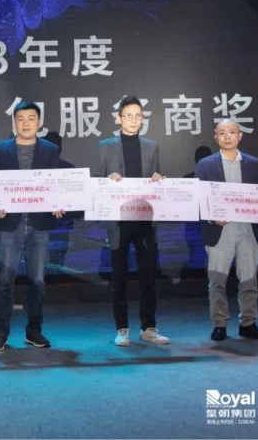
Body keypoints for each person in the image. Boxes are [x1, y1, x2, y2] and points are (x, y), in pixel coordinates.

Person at [92, 95, 170, 347]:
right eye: (128, 115)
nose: (134, 120)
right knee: (120, 278)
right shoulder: (105, 146)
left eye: (138, 115)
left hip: (145, 220)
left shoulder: (151, 146)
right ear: (119, 118)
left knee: (148, 276)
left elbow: (156, 177)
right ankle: (122, 328)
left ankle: (148, 327)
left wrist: (158, 179)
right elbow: (96, 180)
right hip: (118, 221)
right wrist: (108, 181)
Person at [0, 101, 64, 352]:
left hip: (39, 224)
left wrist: (59, 203)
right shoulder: (0, 150)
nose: (26, 123)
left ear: (39, 122)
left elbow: (56, 184)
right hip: (10, 224)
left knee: (38, 282)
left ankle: (34, 332)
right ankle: (0, 334)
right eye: (20, 118)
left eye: (31, 118)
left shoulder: (51, 150)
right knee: (4, 281)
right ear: (14, 122)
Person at [195, 119, 258, 341]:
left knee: (249, 280)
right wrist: (212, 217)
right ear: (215, 137)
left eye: (231, 132)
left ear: (240, 136)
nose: (227, 136)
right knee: (217, 281)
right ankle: (219, 324)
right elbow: (199, 199)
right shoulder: (205, 165)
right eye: (222, 133)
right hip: (220, 231)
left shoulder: (253, 163)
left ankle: (248, 323)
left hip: (248, 230)